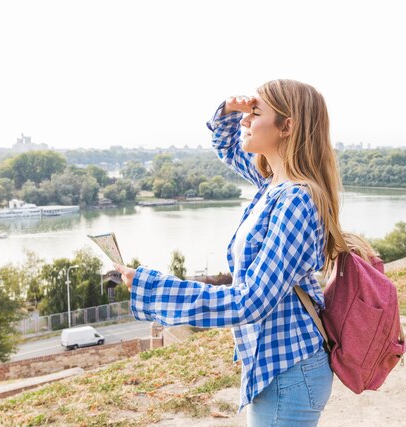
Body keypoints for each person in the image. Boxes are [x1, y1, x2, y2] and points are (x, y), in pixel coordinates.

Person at [114, 79, 344, 426]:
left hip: (289, 372)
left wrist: (154, 288)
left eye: (255, 113)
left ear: (288, 126)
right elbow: (227, 146)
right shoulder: (274, 186)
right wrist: (227, 109)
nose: (244, 121)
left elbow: (250, 301)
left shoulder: (296, 200)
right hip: (281, 366)